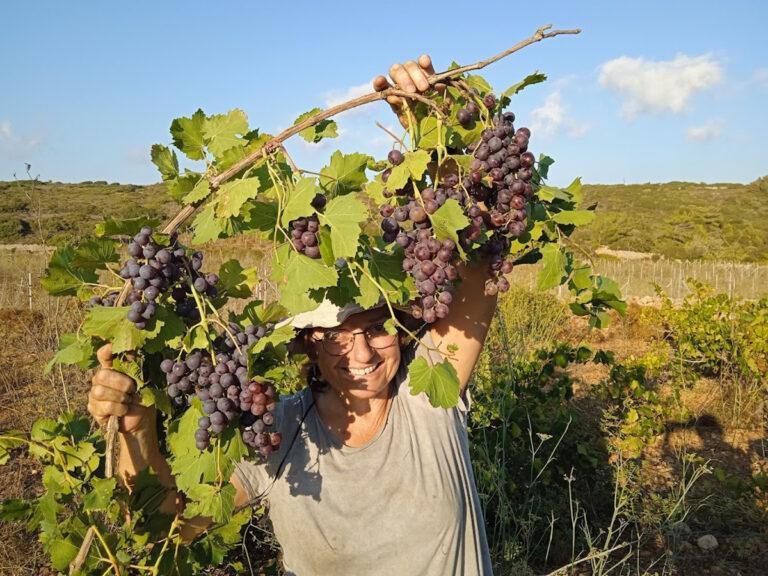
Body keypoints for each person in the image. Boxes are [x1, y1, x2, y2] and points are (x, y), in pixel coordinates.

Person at [87, 55, 499, 575]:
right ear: (307, 342)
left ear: (401, 325)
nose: (363, 353)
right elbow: (171, 527)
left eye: (376, 327)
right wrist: (136, 427)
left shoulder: (427, 393)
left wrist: (435, 126)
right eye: (335, 334)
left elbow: (480, 265)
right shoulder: (281, 431)